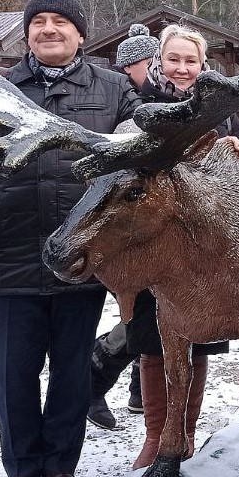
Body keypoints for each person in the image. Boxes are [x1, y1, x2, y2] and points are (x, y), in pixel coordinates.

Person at [0, 0, 142, 477]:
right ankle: (21, 468)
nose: (49, 29)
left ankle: (61, 465)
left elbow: (142, 147)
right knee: (13, 372)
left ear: (80, 33)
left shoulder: (112, 90)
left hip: (82, 256)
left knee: (71, 371)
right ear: (26, 34)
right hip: (12, 254)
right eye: (38, 21)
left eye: (60, 21)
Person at [126, 23, 239, 471]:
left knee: (197, 343)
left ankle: (187, 431)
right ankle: (157, 435)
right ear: (159, 59)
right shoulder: (138, 106)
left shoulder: (220, 109)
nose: (182, 68)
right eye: (173, 58)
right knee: (153, 341)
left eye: (190, 60)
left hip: (201, 250)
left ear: (202, 64)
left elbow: (231, 179)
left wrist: (235, 149)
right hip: (152, 246)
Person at [85, 23, 160, 431]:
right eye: (147, 64)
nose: (151, 70)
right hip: (130, 233)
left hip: (162, 230)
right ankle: (95, 375)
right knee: (143, 315)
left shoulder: (172, 98)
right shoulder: (126, 105)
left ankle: (134, 389)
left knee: (153, 313)